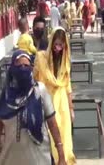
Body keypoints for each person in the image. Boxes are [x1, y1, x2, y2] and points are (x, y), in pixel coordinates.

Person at [0, 50, 67, 165]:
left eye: (26, 65)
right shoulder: (6, 96)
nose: (23, 69)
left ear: (31, 67)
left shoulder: (40, 91)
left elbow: (52, 123)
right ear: (12, 69)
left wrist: (61, 155)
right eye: (19, 65)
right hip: (11, 159)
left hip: (39, 159)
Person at [33, 27, 76, 165]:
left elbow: (68, 85)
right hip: (47, 100)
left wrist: (71, 108)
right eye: (56, 44)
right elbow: (34, 79)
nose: (58, 48)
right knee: (50, 137)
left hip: (62, 103)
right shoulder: (41, 58)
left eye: (61, 45)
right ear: (51, 43)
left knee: (64, 137)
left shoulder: (65, 60)